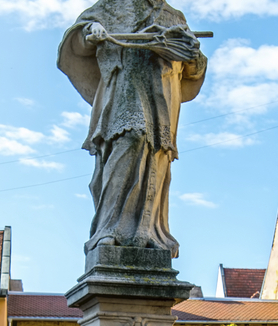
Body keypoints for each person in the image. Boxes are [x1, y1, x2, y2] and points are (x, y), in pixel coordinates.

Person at [57, 0, 208, 258]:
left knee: (155, 152)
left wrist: (194, 57)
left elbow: (193, 65)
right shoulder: (113, 6)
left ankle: (148, 232)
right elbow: (80, 35)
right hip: (126, 85)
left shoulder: (173, 16)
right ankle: (110, 228)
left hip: (160, 93)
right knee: (131, 137)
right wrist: (91, 32)